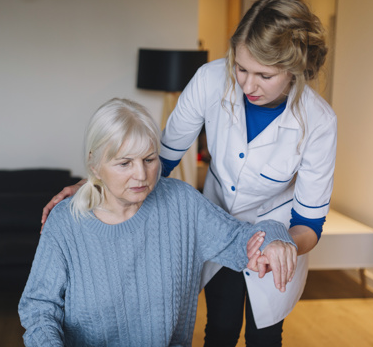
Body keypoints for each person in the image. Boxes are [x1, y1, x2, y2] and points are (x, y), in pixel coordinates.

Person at [40, 0, 336, 346]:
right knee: (221, 329)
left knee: (266, 338)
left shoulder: (318, 121)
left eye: (265, 75)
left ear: (295, 69)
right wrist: (97, 185)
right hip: (216, 221)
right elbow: (160, 160)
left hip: (279, 235)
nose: (248, 85)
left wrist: (281, 245)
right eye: (241, 68)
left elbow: (310, 223)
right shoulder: (210, 80)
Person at [20, 98, 298, 347]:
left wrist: (275, 236)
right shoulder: (65, 222)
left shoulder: (181, 203)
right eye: (125, 163)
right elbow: (39, 307)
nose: (142, 175)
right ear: (94, 166)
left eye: (149, 159)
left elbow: (241, 239)